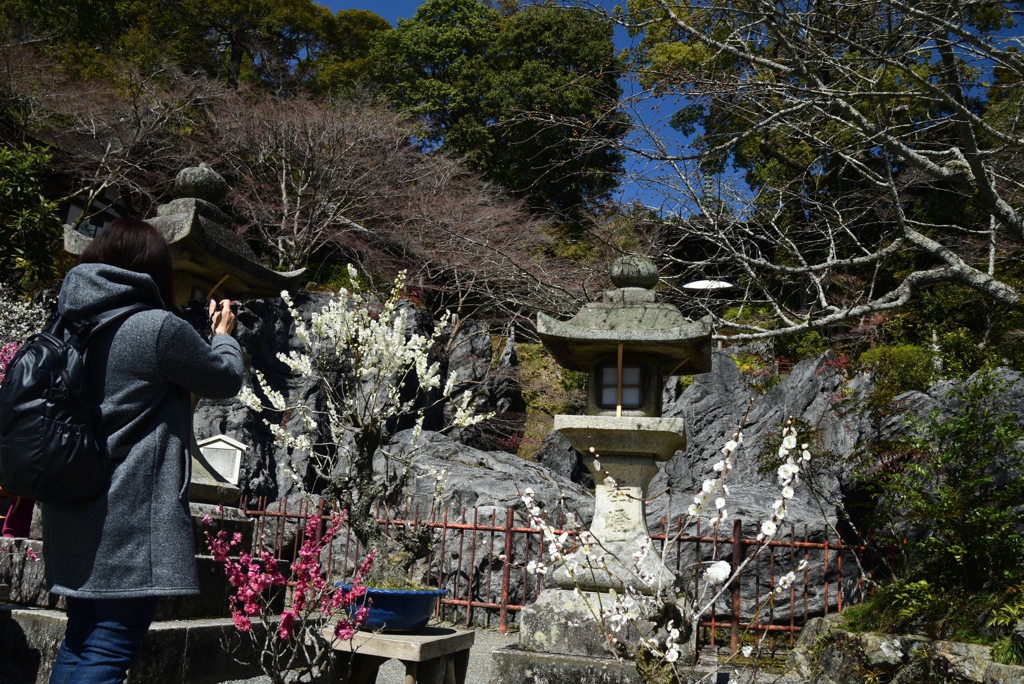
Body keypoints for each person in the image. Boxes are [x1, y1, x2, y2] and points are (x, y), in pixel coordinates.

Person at [42, 217, 244, 684]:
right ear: (153, 269)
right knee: (110, 647)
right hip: (129, 515)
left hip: (72, 507)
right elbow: (224, 378)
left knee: (80, 639)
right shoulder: (155, 327)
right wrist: (224, 335)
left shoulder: (68, 323)